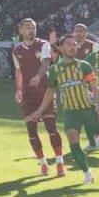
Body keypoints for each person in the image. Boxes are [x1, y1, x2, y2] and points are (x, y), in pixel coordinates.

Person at [23, 34, 99, 185]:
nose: (72, 47)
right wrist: (39, 111)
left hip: (90, 109)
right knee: (72, 139)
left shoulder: (84, 66)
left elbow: (95, 88)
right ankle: (87, 174)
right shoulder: (55, 70)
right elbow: (50, 92)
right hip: (71, 113)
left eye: (74, 44)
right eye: (68, 44)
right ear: (61, 48)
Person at [14, 18, 65, 176]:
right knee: (31, 131)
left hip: (45, 92)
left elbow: (46, 62)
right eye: (28, 27)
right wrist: (18, 89)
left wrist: (38, 76)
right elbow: (19, 71)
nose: (31, 30)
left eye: (33, 27)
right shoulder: (16, 51)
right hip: (29, 96)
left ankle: (60, 163)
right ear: (21, 31)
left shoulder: (43, 44)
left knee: (51, 127)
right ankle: (43, 163)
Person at [71, 23, 99, 153]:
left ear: (86, 33)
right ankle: (97, 139)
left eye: (82, 31)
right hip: (75, 86)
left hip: (91, 83)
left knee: (91, 112)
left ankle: (98, 138)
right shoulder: (69, 46)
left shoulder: (93, 46)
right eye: (77, 31)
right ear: (73, 32)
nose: (79, 34)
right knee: (87, 112)